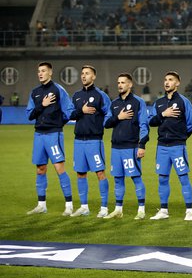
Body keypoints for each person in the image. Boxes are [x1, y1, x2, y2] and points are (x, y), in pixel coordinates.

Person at [26, 62, 75, 215]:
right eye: (38, 71)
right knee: (40, 169)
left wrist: (57, 124)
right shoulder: (35, 92)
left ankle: (69, 205)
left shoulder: (58, 90)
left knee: (59, 169)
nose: (40, 73)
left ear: (50, 73)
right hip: (39, 135)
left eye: (43, 71)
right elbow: (29, 115)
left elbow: (69, 111)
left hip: (53, 134)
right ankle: (41, 205)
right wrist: (42, 104)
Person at [148, 71, 192, 220]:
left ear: (177, 83)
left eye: (170, 80)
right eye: (165, 80)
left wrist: (182, 137)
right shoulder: (159, 103)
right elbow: (151, 121)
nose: (167, 82)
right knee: (162, 178)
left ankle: (189, 211)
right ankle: (163, 210)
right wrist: (163, 114)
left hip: (177, 146)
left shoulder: (183, 101)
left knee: (183, 178)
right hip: (162, 146)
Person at [103, 73, 150, 220]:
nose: (120, 85)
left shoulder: (138, 102)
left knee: (135, 177)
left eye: (123, 82)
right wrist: (118, 117)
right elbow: (106, 123)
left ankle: (141, 210)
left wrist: (141, 145)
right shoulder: (114, 103)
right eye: (118, 82)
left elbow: (144, 125)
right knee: (118, 179)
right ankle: (118, 209)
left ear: (130, 85)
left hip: (131, 147)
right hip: (116, 147)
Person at [68, 65, 112, 218]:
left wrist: (101, 125)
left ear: (93, 77)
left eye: (87, 73)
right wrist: (82, 111)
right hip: (79, 140)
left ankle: (104, 208)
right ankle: (84, 207)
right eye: (82, 73)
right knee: (80, 173)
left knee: (100, 172)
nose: (84, 76)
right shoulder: (77, 95)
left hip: (94, 140)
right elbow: (69, 114)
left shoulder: (101, 95)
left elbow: (109, 113)